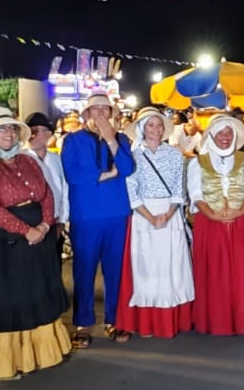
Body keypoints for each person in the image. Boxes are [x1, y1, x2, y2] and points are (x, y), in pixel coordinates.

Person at [0, 108, 74, 377]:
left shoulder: (27, 161)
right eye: (2, 129)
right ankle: (7, 361)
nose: (8, 133)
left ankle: (38, 353)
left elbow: (45, 194)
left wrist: (46, 224)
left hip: (37, 235)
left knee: (35, 290)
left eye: (12, 129)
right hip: (1, 241)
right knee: (7, 295)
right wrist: (26, 230)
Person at [62, 93, 136, 345]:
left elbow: (127, 169)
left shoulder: (122, 139)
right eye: (96, 110)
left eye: (106, 111)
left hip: (117, 212)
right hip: (86, 215)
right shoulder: (72, 141)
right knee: (84, 269)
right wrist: (108, 174)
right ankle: (82, 322)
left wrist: (111, 141)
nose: (101, 115)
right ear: (86, 115)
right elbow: (74, 175)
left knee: (115, 270)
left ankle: (114, 320)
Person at [115, 107, 194, 338]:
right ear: (141, 129)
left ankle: (172, 317)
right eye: (150, 125)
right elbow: (132, 191)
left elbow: (179, 189)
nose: (156, 130)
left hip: (170, 212)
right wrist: (151, 217)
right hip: (144, 215)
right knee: (147, 266)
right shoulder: (134, 156)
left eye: (159, 125)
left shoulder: (175, 154)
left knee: (172, 264)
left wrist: (168, 214)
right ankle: (149, 319)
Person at [187, 115, 244, 335]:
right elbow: (195, 194)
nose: (225, 137)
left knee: (243, 275)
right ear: (212, 134)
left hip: (241, 223)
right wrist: (213, 215)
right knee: (215, 275)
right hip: (210, 225)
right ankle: (216, 320)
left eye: (229, 133)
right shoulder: (198, 162)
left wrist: (241, 210)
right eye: (221, 132)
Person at [24, 112, 70, 243]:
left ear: (49, 134)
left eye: (39, 131)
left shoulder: (56, 159)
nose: (34, 135)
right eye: (32, 131)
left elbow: (64, 191)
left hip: (55, 222)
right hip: (29, 224)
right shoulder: (20, 157)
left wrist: (62, 221)